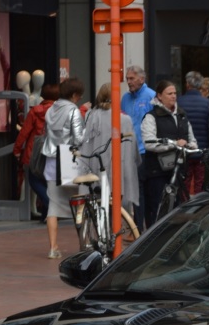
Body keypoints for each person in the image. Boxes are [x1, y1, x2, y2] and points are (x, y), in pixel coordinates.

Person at [79, 82, 139, 225]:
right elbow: (132, 146)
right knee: (116, 206)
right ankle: (114, 233)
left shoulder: (92, 116)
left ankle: (101, 231)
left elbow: (86, 143)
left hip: (96, 166)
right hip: (118, 168)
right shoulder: (124, 119)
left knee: (99, 203)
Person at [141, 79, 197, 228]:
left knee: (178, 211)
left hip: (178, 171)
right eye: (169, 93)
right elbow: (149, 143)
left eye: (175, 93)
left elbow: (192, 141)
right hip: (157, 173)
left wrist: (189, 146)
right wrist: (174, 144)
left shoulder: (182, 115)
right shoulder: (151, 117)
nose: (173, 96)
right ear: (159, 96)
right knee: (158, 210)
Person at [42, 77, 87, 259]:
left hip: (51, 161)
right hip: (70, 161)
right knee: (80, 204)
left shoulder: (50, 109)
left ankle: (53, 247)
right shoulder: (73, 111)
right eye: (79, 95)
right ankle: (84, 244)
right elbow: (78, 139)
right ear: (75, 95)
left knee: (53, 206)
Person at [13, 82, 57, 222]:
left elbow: (24, 133)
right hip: (53, 151)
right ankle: (46, 215)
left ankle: (50, 206)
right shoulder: (59, 112)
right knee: (46, 182)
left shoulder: (35, 111)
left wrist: (17, 149)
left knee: (33, 180)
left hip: (34, 152)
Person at [121, 66, 157, 227]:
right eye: (127, 78)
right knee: (134, 190)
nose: (128, 82)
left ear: (141, 79)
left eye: (131, 78)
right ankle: (138, 227)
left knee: (144, 190)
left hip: (146, 151)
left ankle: (145, 227)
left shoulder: (151, 96)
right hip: (129, 151)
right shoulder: (125, 98)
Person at [178, 71, 209, 196]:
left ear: (187, 84)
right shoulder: (206, 104)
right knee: (199, 187)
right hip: (201, 152)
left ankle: (184, 212)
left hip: (184, 151)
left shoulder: (179, 102)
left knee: (184, 187)